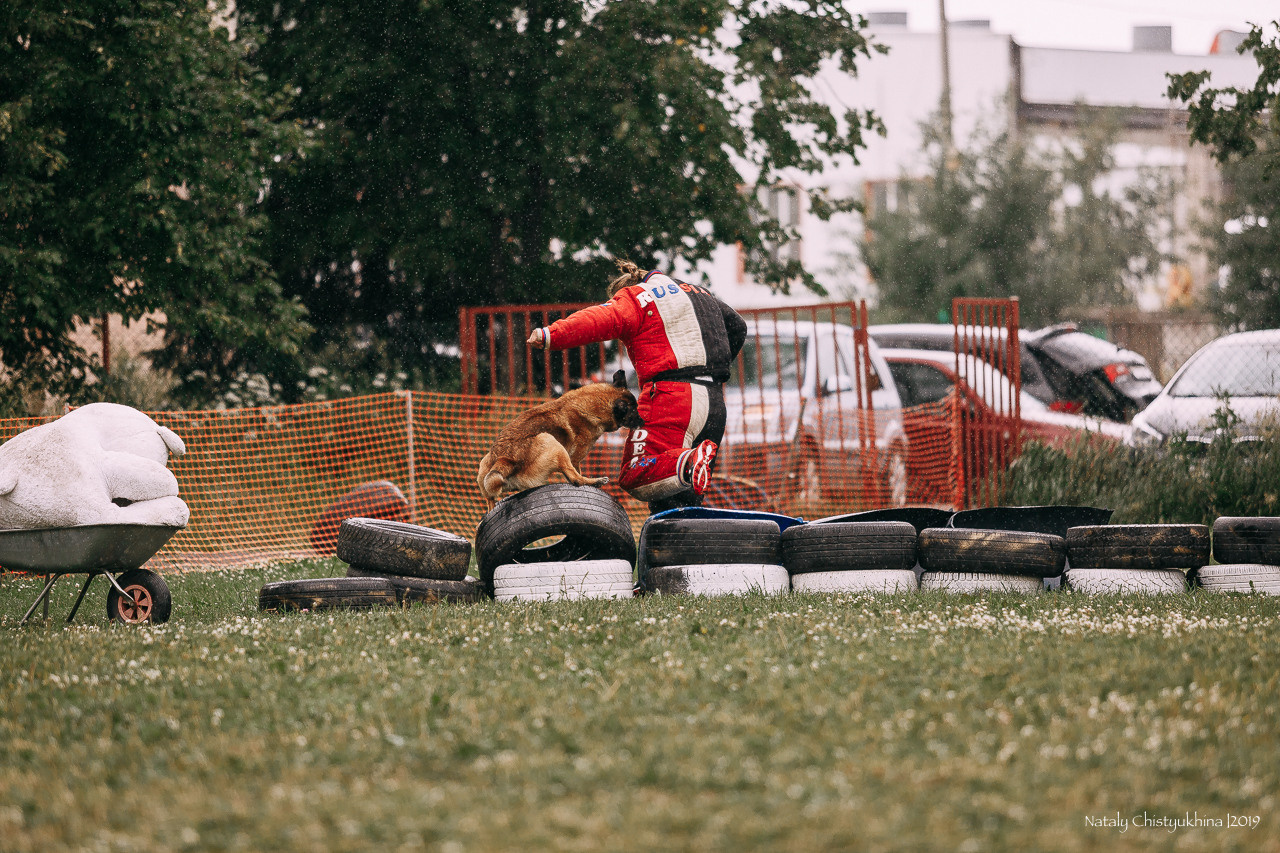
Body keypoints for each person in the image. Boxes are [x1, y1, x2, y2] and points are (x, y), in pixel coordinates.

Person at [527, 260, 747, 513]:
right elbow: (738, 327)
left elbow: (598, 318)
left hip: (671, 397)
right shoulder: (700, 293)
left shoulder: (636, 296)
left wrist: (550, 335)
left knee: (638, 473)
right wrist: (712, 365)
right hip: (714, 401)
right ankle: (679, 543)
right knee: (682, 494)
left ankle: (688, 462)